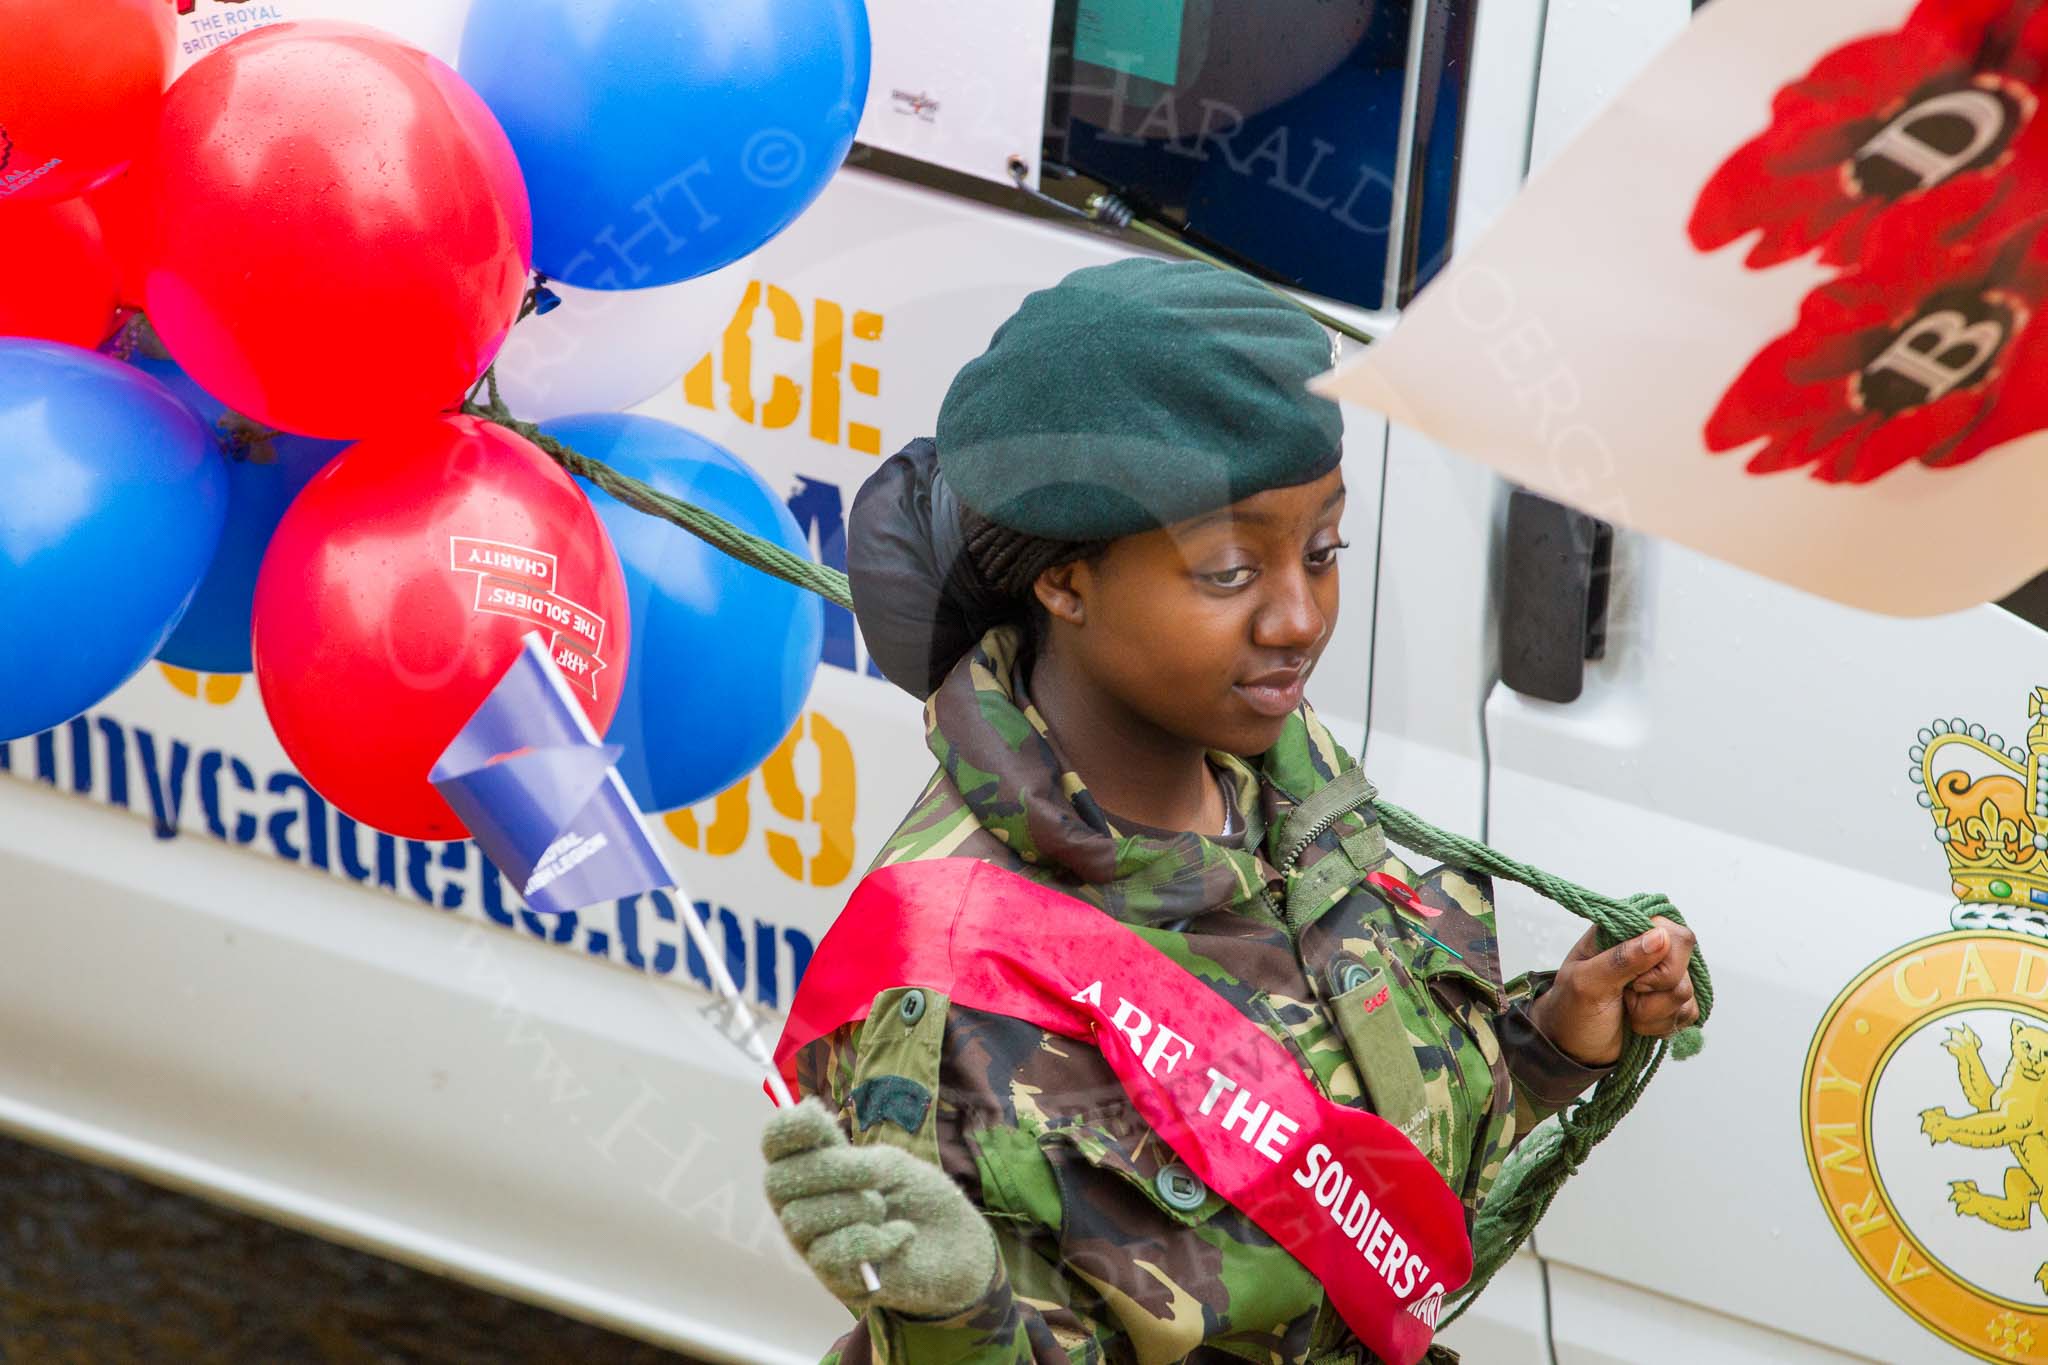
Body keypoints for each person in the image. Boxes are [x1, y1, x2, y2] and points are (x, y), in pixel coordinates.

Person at [762, 259, 1700, 1365]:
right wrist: (952, 1321)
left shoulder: (1286, 786)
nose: (1298, 618)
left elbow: (1357, 1174)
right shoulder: (956, 994)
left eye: (1322, 551)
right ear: (1064, 582)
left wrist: (1548, 1043)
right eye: (1226, 573)